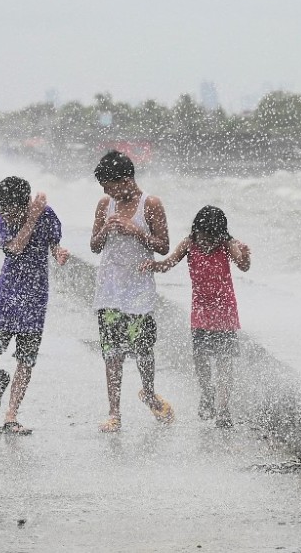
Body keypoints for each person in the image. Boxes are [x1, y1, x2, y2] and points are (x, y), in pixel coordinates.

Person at [143, 205, 251, 428]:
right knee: (200, 358)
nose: (206, 241)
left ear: (220, 234)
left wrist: (246, 255)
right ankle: (207, 392)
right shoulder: (188, 243)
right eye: (203, 236)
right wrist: (153, 265)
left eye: (211, 237)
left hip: (224, 312)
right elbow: (168, 264)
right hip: (201, 312)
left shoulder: (227, 244)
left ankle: (223, 410)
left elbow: (243, 266)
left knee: (224, 362)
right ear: (196, 231)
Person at [0, 176, 69, 435]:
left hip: (35, 297)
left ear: (25, 204)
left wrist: (59, 252)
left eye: (10, 209)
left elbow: (54, 243)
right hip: (7, 294)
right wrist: (31, 217)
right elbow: (16, 248)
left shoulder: (47, 215)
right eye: (1, 208)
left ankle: (11, 415)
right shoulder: (0, 223)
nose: (5, 215)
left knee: (26, 359)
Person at [91, 150, 174, 433]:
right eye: (104, 188)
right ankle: (114, 413)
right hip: (109, 290)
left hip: (139, 290)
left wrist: (134, 230)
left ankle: (149, 393)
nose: (106, 191)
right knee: (111, 352)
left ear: (126, 179)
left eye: (109, 185)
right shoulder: (105, 204)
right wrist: (105, 230)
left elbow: (163, 246)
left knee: (143, 350)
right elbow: (94, 245)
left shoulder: (150, 204)